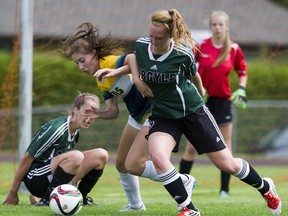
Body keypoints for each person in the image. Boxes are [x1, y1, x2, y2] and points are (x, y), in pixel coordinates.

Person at [125, 8, 282, 216]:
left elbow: (195, 76)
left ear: (171, 36)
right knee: (158, 156)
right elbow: (133, 59)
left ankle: (265, 187)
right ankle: (188, 208)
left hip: (192, 112)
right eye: (151, 36)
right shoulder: (142, 45)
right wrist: (136, 79)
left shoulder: (183, 53)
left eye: (159, 38)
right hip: (164, 116)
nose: (153, 42)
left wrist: (201, 94)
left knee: (226, 164)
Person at [59, 22, 196, 212]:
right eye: (77, 63)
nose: (81, 66)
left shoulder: (107, 62)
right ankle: (136, 205)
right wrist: (98, 114)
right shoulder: (101, 81)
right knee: (121, 164)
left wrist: (138, 81)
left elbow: (133, 58)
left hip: (152, 112)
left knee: (134, 164)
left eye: (82, 60)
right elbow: (113, 112)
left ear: (94, 54)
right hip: (136, 116)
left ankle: (183, 181)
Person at [179, 10, 248, 198]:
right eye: (214, 25)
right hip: (202, 101)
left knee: (226, 146)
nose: (217, 28)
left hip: (224, 103)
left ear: (226, 27)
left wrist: (241, 89)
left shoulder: (234, 48)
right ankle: (182, 187)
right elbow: (187, 67)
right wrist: (196, 87)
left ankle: (224, 190)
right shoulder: (201, 46)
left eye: (220, 24)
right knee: (191, 146)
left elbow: (242, 71)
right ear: (211, 27)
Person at [3, 92, 108, 206]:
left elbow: (67, 165)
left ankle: (80, 199)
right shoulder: (57, 129)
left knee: (101, 155)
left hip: (51, 177)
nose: (90, 117)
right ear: (76, 110)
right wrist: (13, 192)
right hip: (36, 179)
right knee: (76, 156)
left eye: (94, 113)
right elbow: (27, 159)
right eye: (87, 111)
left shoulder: (75, 132)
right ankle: (46, 200)